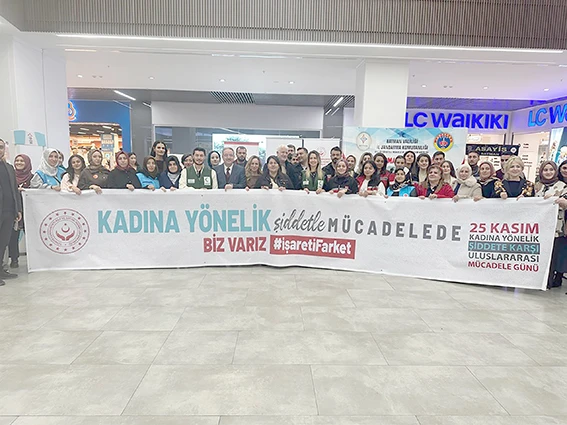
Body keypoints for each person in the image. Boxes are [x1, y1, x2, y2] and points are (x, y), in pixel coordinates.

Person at [535, 161, 567, 287]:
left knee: (552, 255)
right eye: (545, 170)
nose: (548, 172)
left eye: (551, 170)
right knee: (539, 254)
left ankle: (548, 281)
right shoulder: (537, 186)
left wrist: (560, 202)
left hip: (556, 227)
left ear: (555, 171)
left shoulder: (562, 186)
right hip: (539, 227)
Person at [0, 139, 22, 285]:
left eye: (1, 147)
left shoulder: (8, 167)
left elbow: (14, 189)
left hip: (8, 210)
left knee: (3, 242)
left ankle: (1, 269)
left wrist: (17, 209)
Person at [8, 153, 31, 269]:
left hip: (29, 210)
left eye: (22, 161)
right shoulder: (10, 175)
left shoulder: (32, 177)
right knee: (13, 236)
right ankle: (14, 259)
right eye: (17, 160)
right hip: (14, 209)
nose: (19, 163)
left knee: (31, 235)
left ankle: (34, 258)